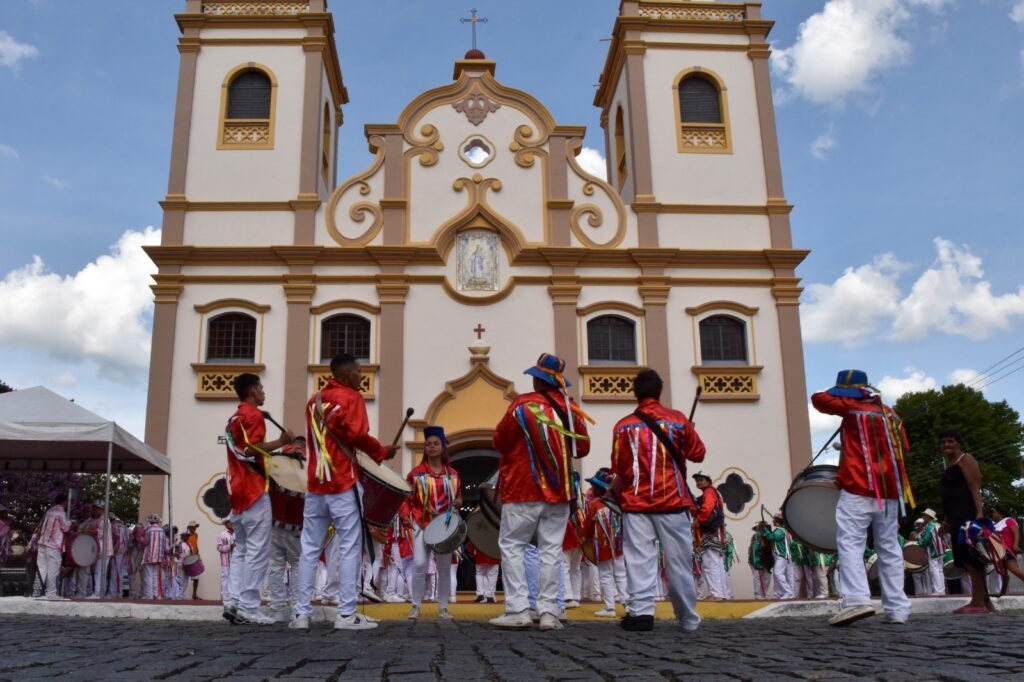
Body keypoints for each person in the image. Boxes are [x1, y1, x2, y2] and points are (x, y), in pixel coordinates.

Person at [291, 353, 397, 631]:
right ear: (348, 374)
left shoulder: (313, 402)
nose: (362, 376)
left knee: (309, 550)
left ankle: (301, 614)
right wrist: (381, 451)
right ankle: (346, 615)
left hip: (315, 486)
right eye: (359, 371)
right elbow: (356, 435)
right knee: (350, 548)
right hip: (341, 483)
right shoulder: (351, 398)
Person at [490, 353, 591, 631]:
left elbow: (499, 441)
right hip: (559, 491)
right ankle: (549, 613)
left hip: (523, 488)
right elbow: (582, 448)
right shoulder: (570, 408)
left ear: (537, 379)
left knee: (512, 547)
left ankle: (518, 609)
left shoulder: (521, 405)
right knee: (551, 550)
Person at [812, 369, 914, 626]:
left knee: (850, 544)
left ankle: (857, 600)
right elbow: (905, 446)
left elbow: (818, 398)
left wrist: (845, 394)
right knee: (889, 547)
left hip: (858, 489)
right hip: (891, 492)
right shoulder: (890, 414)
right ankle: (897, 609)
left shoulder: (851, 407)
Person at [611, 369, 706, 632]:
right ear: (659, 391)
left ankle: (642, 612)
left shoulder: (622, 425)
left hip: (636, 503)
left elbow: (618, 466)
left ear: (635, 392)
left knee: (639, 561)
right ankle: (687, 617)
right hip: (673, 502)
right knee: (679, 563)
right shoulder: (677, 420)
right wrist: (689, 435)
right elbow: (698, 454)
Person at [223, 372, 295, 625]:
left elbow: (240, 448)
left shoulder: (234, 417)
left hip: (237, 491)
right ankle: (249, 607)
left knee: (241, 549)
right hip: (254, 489)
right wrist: (281, 441)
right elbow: (251, 450)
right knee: (257, 550)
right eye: (261, 388)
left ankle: (232, 601)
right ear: (253, 390)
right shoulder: (252, 416)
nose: (264, 392)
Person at [402, 425, 463, 620]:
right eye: (428, 444)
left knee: (444, 567)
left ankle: (443, 607)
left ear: (443, 447)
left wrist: (459, 502)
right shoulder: (416, 474)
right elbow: (406, 498)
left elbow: (459, 497)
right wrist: (405, 515)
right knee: (419, 564)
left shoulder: (452, 474)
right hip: (421, 523)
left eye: (436, 443)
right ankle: (416, 605)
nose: (432, 447)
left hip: (443, 527)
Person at [939, 429, 992, 614]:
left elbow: (975, 487)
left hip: (967, 515)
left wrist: (979, 514)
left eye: (951, 441)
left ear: (959, 443)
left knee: (972, 559)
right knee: (964, 559)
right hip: (954, 517)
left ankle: (978, 602)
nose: (947, 445)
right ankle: (984, 600)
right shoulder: (949, 465)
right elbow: (949, 497)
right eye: (944, 442)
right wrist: (946, 521)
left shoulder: (966, 460)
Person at [266, 440, 305, 622]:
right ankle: (297, 607)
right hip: (296, 527)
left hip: (274, 523)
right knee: (297, 566)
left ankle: (277, 608)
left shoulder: (279, 460)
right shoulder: (307, 463)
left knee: (275, 566)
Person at [581, 468, 622, 617]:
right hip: (619, 546)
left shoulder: (596, 505)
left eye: (594, 486)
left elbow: (587, 527)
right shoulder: (618, 503)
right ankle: (628, 605)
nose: (592, 489)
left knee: (605, 575)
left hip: (603, 546)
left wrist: (585, 538)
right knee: (621, 574)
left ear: (600, 488)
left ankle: (610, 607)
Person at [692, 472, 728, 601]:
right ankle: (721, 593)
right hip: (714, 531)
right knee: (716, 563)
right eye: (697, 480)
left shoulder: (709, 492)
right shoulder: (712, 492)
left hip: (709, 531)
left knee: (710, 563)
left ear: (708, 481)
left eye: (701, 480)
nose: (699, 482)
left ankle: (716, 593)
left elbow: (707, 508)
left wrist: (698, 519)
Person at [36, 494, 71, 600]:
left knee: (43, 568)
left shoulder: (49, 511)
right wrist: (70, 523)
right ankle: (51, 593)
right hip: (53, 544)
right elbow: (65, 528)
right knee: (53, 569)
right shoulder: (60, 512)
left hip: (42, 543)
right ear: (64, 502)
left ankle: (41, 592)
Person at [760, 514, 794, 599]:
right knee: (778, 574)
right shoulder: (781, 530)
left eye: (774, 520)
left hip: (781, 555)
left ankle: (787, 591)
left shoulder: (780, 531)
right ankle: (779, 593)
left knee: (778, 573)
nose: (773, 521)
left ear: (778, 522)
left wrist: (764, 529)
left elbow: (772, 537)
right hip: (779, 555)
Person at [991, 505, 1024, 593]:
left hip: (1008, 549)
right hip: (997, 551)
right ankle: (1004, 592)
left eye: (994, 512)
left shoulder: (1009, 521)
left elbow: (1016, 532)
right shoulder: (994, 525)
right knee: (1002, 573)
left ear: (999, 513)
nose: (993, 514)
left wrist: (1015, 544)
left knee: (1013, 568)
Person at [918, 509, 946, 596]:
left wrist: (919, 540)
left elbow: (925, 540)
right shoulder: (938, 524)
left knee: (934, 569)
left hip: (933, 550)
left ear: (928, 517)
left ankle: (938, 591)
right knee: (940, 569)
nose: (923, 517)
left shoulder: (929, 526)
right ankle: (942, 590)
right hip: (941, 549)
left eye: (924, 515)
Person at [142, 514, 168, 599]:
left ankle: (148, 595)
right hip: (158, 557)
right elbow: (164, 545)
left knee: (148, 575)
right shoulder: (162, 531)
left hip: (149, 556)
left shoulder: (148, 530)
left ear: (150, 521)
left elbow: (145, 542)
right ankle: (156, 594)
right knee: (155, 575)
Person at [106, 514, 129, 598]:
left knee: (114, 572)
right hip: (124, 551)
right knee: (121, 572)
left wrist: (114, 550)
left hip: (117, 551)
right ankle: (119, 591)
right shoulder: (123, 526)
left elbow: (117, 539)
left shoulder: (114, 526)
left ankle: (113, 592)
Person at [748, 524, 771, 599]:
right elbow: (755, 550)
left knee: (767, 577)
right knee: (757, 577)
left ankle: (765, 593)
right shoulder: (756, 537)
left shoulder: (767, 537)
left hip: (765, 561)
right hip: (756, 561)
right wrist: (756, 562)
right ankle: (758, 594)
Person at [217, 520, 235, 601]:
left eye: (231, 522)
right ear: (226, 524)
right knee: (225, 576)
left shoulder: (236, 533)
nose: (230, 523)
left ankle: (232, 595)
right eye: (228, 522)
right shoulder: (222, 534)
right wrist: (229, 547)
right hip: (226, 559)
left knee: (234, 577)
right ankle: (224, 595)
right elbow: (219, 547)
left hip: (236, 560)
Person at [185, 521, 201, 600]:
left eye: (195, 527)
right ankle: (180, 594)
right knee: (184, 577)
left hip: (194, 557)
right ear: (189, 527)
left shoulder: (196, 535)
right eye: (193, 527)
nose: (195, 528)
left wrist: (198, 555)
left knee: (196, 577)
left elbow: (196, 545)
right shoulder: (185, 535)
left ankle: (194, 594)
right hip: (187, 557)